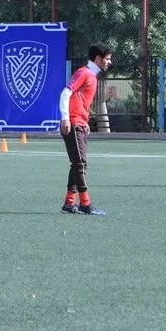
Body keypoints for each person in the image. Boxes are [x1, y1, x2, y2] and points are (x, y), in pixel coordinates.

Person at [59, 44, 112, 216]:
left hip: (80, 123)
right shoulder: (84, 73)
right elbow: (65, 93)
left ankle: (69, 202)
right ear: (98, 58)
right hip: (73, 124)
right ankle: (85, 203)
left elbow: (80, 100)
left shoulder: (92, 77)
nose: (109, 62)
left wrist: (85, 120)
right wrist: (66, 118)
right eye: (107, 58)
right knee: (80, 164)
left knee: (77, 164)